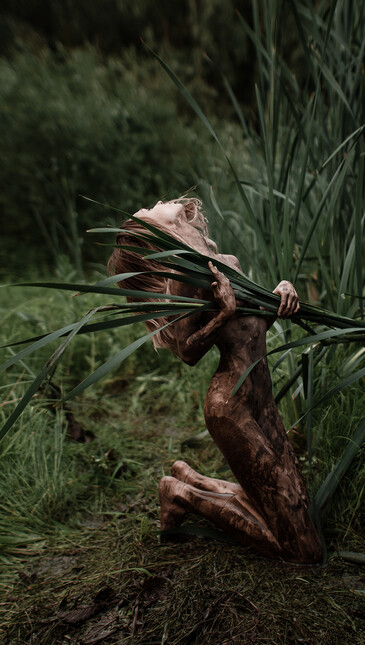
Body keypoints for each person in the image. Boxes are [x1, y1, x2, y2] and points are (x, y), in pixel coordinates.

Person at [108, 197, 322, 563]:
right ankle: (184, 496)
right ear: (161, 233)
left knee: (294, 504)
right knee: (304, 550)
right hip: (231, 406)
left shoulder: (229, 265)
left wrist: (282, 292)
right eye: (148, 210)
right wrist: (222, 313)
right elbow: (188, 352)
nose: (157, 202)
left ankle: (188, 481)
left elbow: (251, 326)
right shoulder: (185, 283)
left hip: (262, 399)